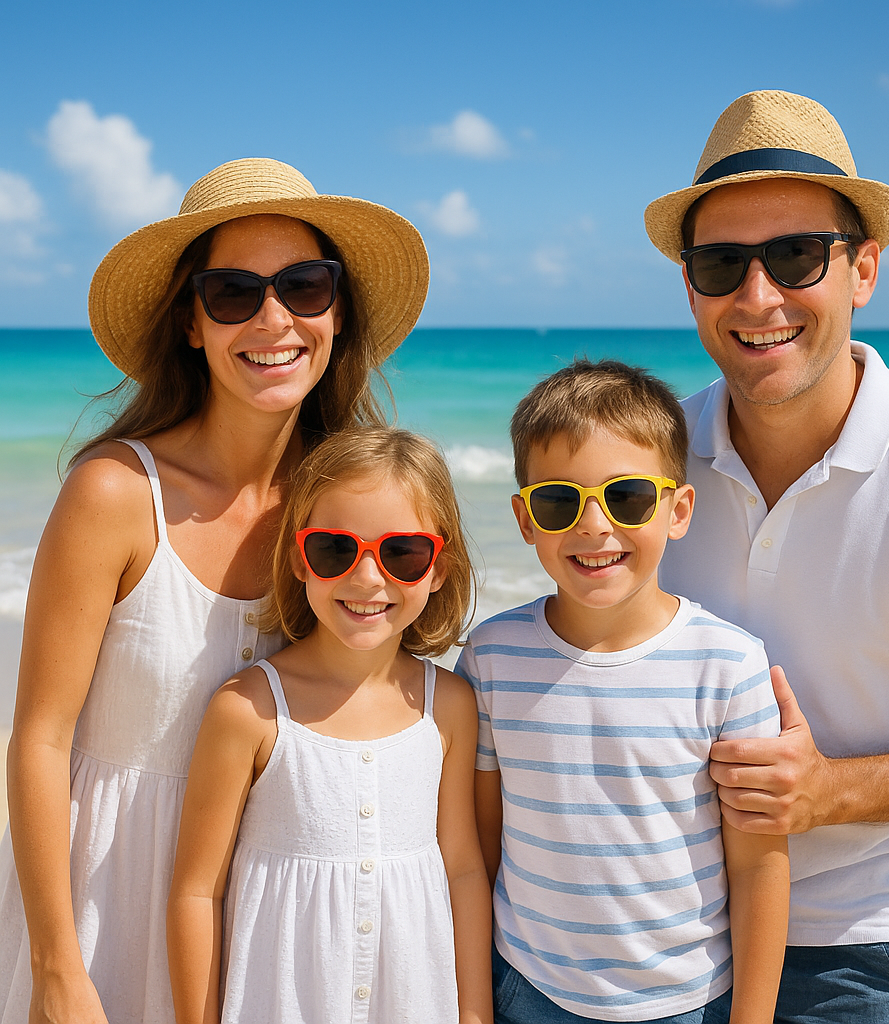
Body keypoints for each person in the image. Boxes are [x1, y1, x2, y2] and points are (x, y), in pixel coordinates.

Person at [0, 158, 429, 1024]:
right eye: (233, 293)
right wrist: (56, 967)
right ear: (192, 325)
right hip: (105, 905)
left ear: (337, 313)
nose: (275, 318)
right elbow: (39, 740)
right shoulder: (117, 494)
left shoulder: (344, 508)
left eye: (306, 286)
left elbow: (389, 712)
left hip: (278, 921)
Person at [644, 90, 889, 1023]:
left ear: (864, 270)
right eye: (723, 263)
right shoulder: (649, 457)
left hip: (858, 948)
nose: (758, 296)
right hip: (659, 930)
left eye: (796, 257)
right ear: (689, 283)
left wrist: (827, 793)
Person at [457, 360, 790, 1024]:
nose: (593, 525)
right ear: (525, 519)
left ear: (678, 510)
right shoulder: (491, 657)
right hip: (527, 988)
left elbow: (758, 867)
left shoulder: (728, 664)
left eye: (628, 497)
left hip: (687, 1002)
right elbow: (483, 846)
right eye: (559, 501)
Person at [166, 428, 492, 1024]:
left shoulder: (449, 704)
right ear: (299, 559)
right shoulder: (248, 709)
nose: (368, 578)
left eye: (402, 553)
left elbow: (464, 869)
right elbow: (195, 892)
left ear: (439, 568)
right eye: (335, 550)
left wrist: (473, 1013)